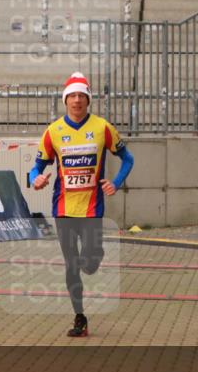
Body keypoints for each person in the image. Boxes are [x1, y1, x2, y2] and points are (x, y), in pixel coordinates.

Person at [28, 72, 134, 337]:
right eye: (72, 96)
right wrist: (36, 179)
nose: (76, 101)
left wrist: (116, 182)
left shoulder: (103, 128)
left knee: (90, 264)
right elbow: (37, 165)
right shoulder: (53, 131)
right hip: (63, 209)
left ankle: (94, 256)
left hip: (92, 210)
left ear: (88, 100)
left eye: (81, 96)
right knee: (71, 266)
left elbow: (128, 158)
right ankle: (80, 318)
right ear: (66, 101)